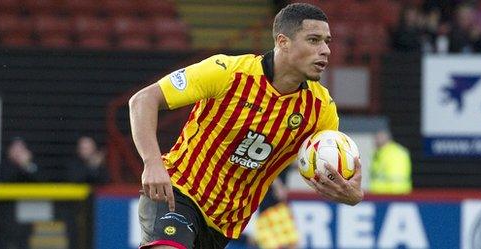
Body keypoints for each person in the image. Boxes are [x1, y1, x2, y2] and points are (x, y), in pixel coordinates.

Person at [129, 3, 363, 248]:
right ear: (283, 42)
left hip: (223, 225)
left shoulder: (320, 109)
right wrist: (152, 163)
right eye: (314, 40)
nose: (325, 50)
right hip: (177, 193)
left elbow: (324, 166)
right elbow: (143, 100)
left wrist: (351, 195)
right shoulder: (227, 73)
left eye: (327, 41)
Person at [369, 129, 412, 194]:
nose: (375, 141)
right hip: (400, 192)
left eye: (377, 138)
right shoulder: (399, 151)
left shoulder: (387, 153)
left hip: (388, 193)